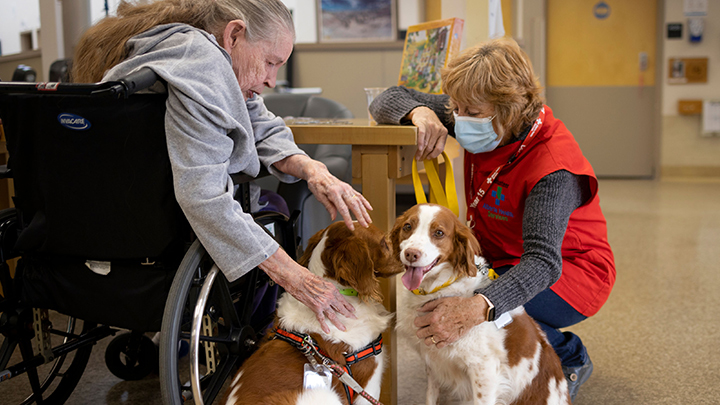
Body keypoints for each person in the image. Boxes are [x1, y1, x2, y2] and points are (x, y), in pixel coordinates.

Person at [71, 0, 373, 334]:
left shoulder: (169, 49)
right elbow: (205, 198)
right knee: (274, 207)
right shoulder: (202, 65)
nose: (272, 80)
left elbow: (259, 123)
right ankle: (252, 333)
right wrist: (297, 278)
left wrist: (313, 170)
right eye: (270, 62)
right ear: (233, 35)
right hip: (166, 213)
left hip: (111, 207)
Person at [370, 37, 615, 401]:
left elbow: (542, 264)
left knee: (488, 306)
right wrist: (419, 113)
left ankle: (565, 354)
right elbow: (385, 99)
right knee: (465, 296)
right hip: (500, 257)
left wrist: (478, 306)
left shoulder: (553, 168)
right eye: (455, 107)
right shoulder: (477, 115)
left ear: (509, 111)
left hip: (570, 270)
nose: (459, 118)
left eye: (471, 110)